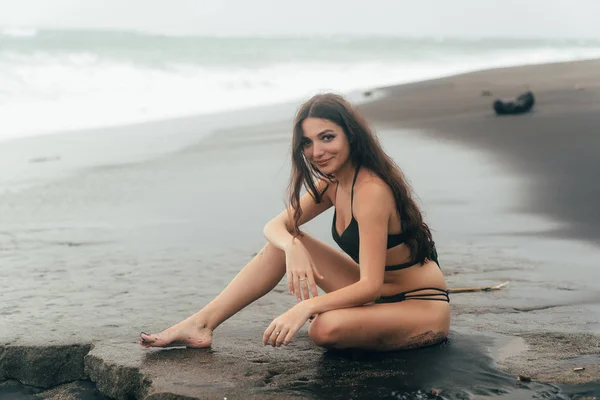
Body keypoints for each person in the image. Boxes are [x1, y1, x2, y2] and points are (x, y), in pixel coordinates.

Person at [140, 93, 450, 351]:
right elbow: (274, 226)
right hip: (380, 295)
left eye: (327, 137)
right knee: (282, 245)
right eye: (307, 143)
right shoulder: (334, 183)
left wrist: (306, 307)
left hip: (419, 305)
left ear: (351, 135)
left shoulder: (371, 191)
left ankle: (367, 322)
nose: (317, 152)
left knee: (324, 329)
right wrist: (292, 247)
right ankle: (202, 323)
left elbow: (368, 286)